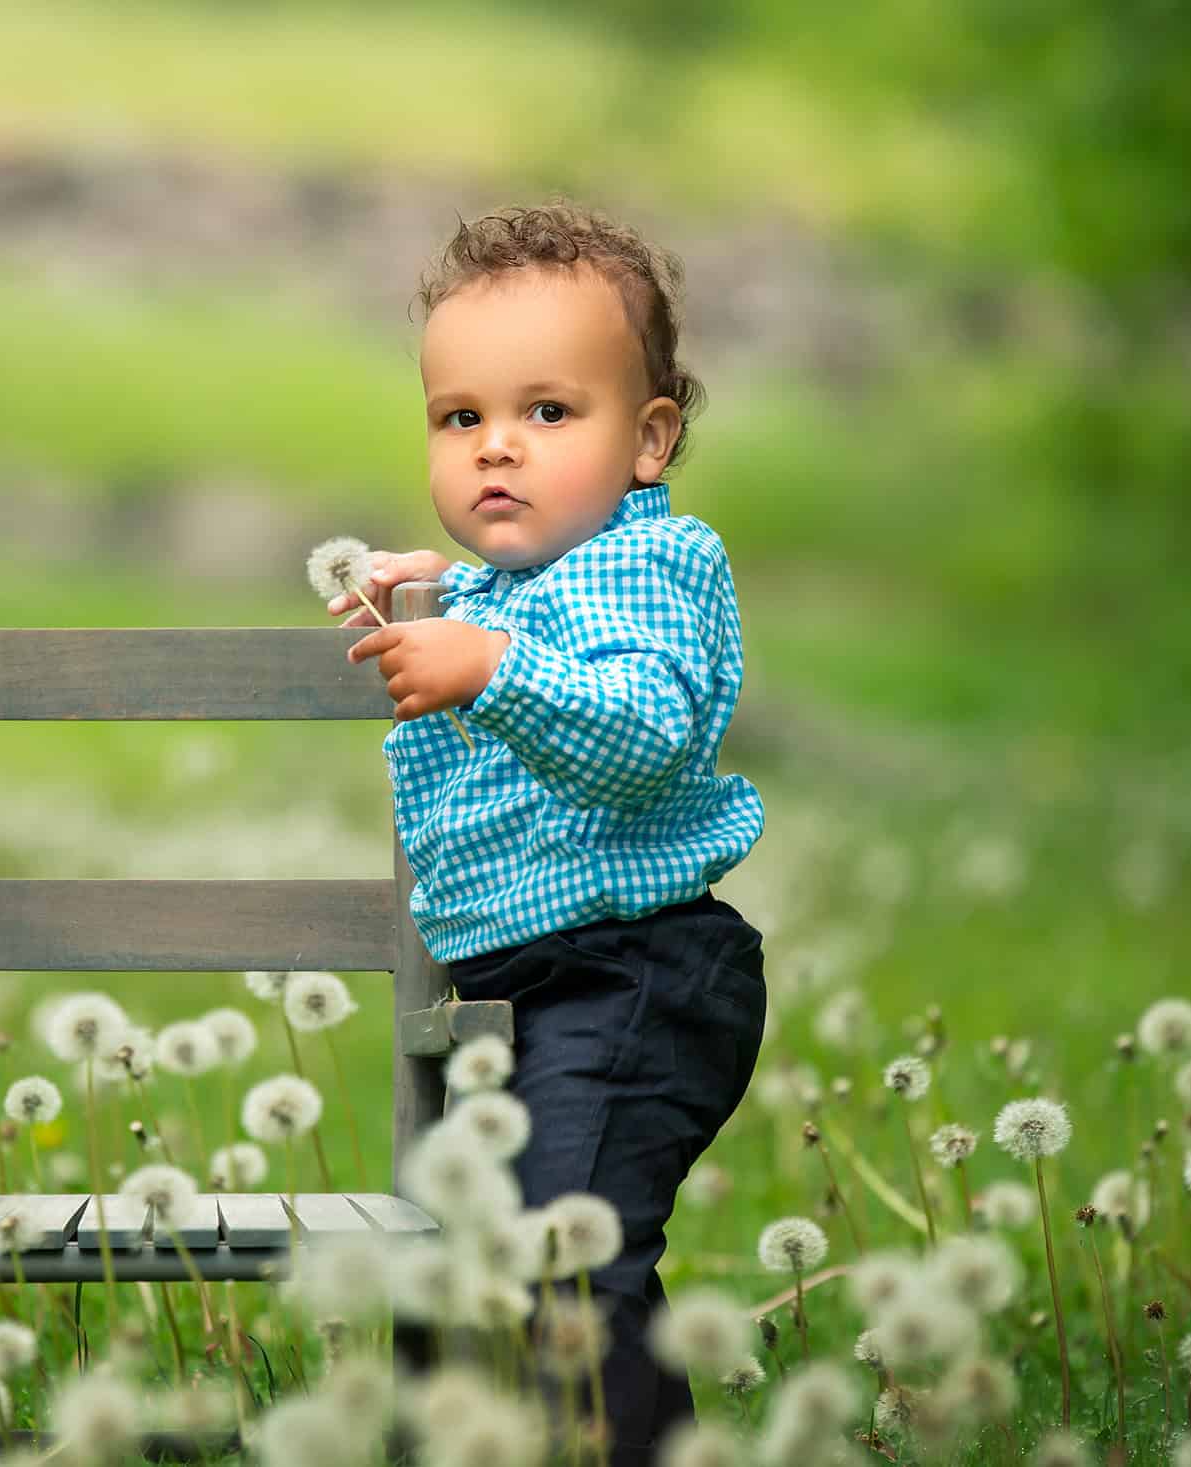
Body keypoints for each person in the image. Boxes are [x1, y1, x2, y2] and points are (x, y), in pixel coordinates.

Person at [333, 198, 768, 1466]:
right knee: (480, 1257)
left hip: (631, 973)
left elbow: (641, 735)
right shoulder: (496, 591)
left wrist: (488, 667)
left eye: (546, 413)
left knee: (565, 1256)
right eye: (459, 418)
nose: (494, 450)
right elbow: (496, 620)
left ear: (648, 440)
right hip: (512, 992)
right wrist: (419, 598)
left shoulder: (657, 567)